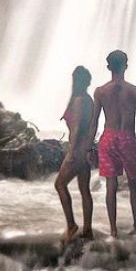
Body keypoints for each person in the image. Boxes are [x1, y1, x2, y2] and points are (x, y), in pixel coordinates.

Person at [91, 50, 136, 236]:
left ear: (109, 67)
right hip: (127, 138)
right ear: (126, 65)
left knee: (111, 185)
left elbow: (94, 120)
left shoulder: (100, 92)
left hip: (108, 138)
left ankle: (113, 229)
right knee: (133, 183)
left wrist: (88, 145)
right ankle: (135, 226)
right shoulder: (135, 91)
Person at [55, 65, 95, 245]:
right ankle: (87, 230)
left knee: (60, 184)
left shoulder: (78, 100)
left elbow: (77, 128)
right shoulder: (88, 100)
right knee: (84, 190)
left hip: (77, 149)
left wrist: (71, 153)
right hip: (85, 149)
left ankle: (71, 225)